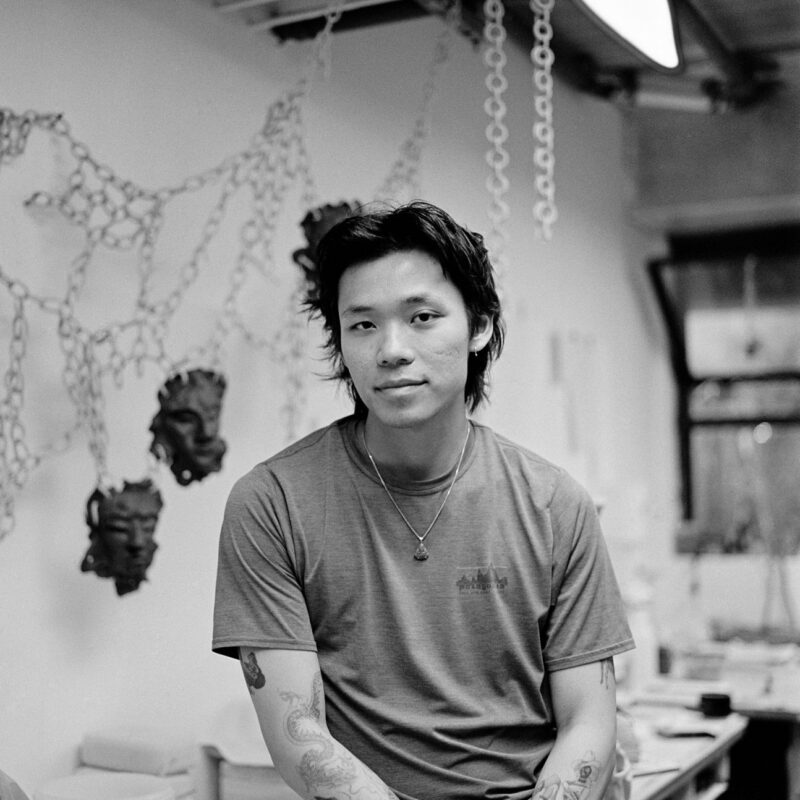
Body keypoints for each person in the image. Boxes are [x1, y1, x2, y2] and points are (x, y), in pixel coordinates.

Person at [212, 201, 634, 800]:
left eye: (422, 317)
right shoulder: (273, 502)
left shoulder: (555, 504)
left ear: (479, 325)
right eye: (363, 325)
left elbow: (589, 723)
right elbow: (299, 736)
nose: (392, 349)